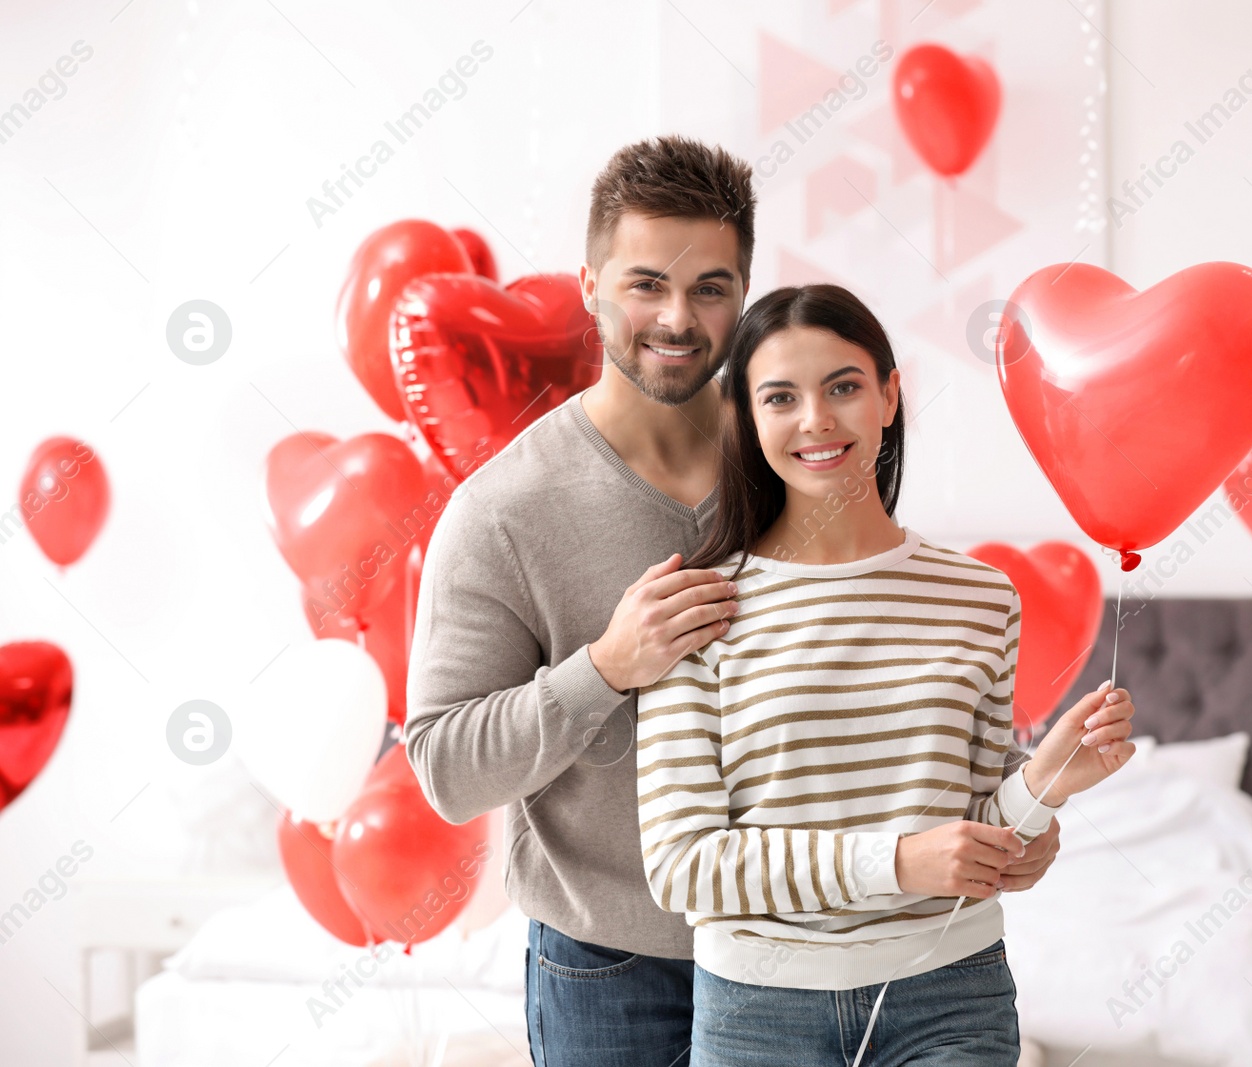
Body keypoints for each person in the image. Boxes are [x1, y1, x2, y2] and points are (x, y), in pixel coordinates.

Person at [405, 136, 1068, 1067]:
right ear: (589, 285)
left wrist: (1016, 822)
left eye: (711, 287)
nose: (678, 317)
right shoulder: (503, 511)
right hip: (613, 969)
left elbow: (886, 698)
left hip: (823, 950)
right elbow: (445, 769)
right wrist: (606, 669)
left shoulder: (804, 447)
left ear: (743, 291)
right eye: (645, 284)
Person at [635, 283, 1137, 1067]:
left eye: (843, 386)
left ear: (890, 394)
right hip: (757, 1013)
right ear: (745, 417)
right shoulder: (699, 607)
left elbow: (974, 828)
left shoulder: (979, 596)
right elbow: (682, 865)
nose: (817, 420)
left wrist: (1044, 786)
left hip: (949, 996)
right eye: (780, 396)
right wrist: (898, 862)